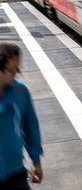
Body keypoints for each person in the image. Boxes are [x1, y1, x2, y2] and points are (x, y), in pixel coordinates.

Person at [0, 42, 43, 189]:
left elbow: (31, 127)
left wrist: (36, 160)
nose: (18, 73)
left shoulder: (20, 91)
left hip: (16, 172)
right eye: (13, 70)